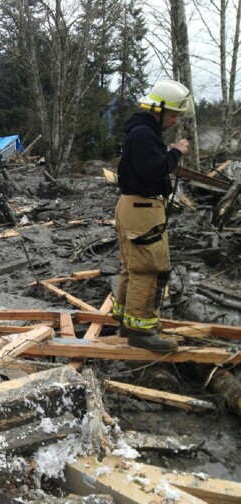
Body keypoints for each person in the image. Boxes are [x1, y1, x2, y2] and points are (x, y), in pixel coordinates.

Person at [112, 79, 192, 352]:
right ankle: (141, 330)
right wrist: (175, 152)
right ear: (157, 109)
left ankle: (126, 320)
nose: (173, 121)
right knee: (148, 267)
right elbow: (154, 170)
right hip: (142, 209)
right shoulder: (145, 135)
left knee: (132, 266)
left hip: (133, 207)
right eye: (172, 115)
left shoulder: (140, 131)